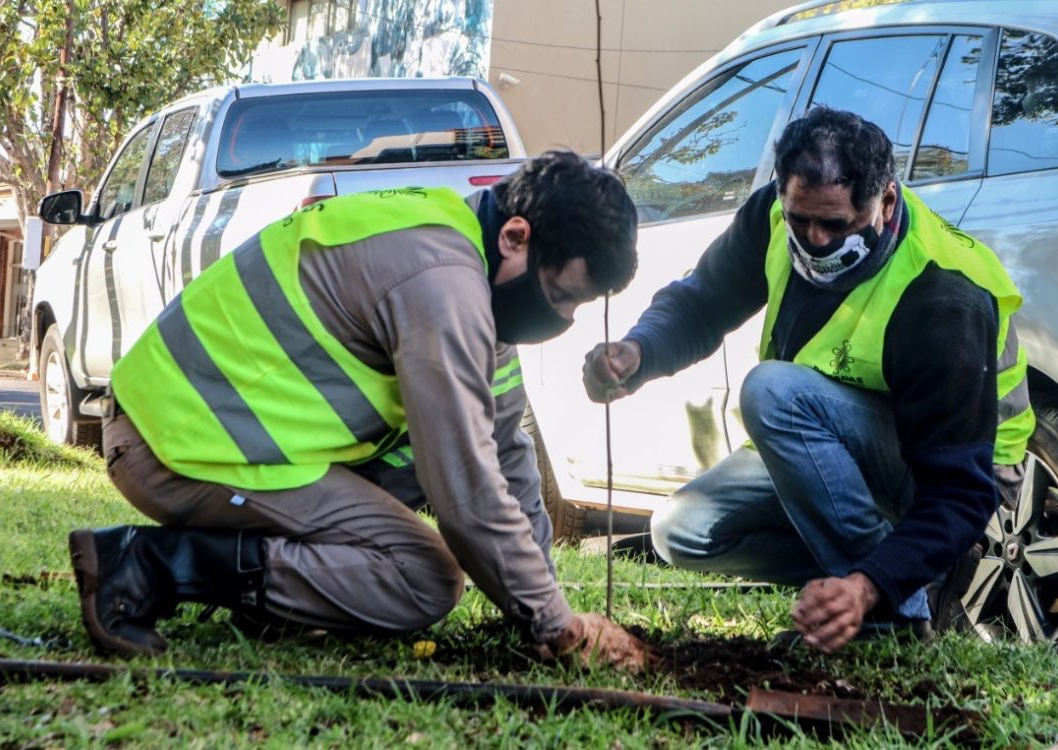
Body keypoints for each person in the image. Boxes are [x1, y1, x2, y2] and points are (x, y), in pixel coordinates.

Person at [70, 150, 651, 672]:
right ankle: (147, 565)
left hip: (231, 435)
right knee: (427, 578)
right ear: (516, 237)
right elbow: (467, 490)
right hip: (174, 441)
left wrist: (542, 608)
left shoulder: (468, 265)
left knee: (439, 471)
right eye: (561, 295)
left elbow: (505, 453)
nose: (565, 318)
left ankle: (278, 602)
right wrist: (559, 627)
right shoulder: (443, 282)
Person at [583, 108, 1033, 653]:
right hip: (835, 444)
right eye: (801, 221)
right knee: (683, 531)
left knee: (771, 391)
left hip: (960, 476)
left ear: (885, 202)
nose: (816, 242)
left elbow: (958, 492)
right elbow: (704, 300)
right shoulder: (771, 217)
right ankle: (885, 570)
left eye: (836, 225)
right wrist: (638, 351)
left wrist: (870, 586)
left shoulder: (943, 295)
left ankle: (888, 612)